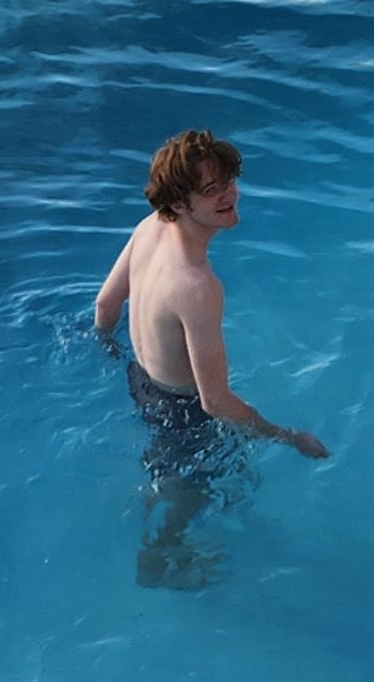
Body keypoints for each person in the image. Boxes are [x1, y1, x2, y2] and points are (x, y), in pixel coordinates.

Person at [95, 128, 327, 465]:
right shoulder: (198, 287)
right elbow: (215, 403)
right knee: (184, 504)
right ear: (179, 203)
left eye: (229, 181)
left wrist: (109, 351)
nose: (229, 194)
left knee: (163, 476)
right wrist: (289, 438)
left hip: (140, 380)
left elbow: (105, 304)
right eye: (211, 190)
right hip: (182, 415)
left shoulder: (150, 227)